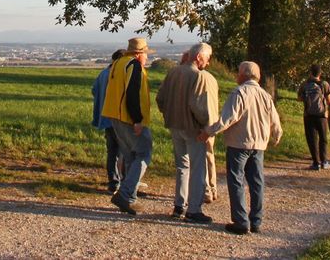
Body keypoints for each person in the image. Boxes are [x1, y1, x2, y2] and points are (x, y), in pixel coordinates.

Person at [200, 61, 281, 235]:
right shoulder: (265, 95)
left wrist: (209, 131)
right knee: (256, 182)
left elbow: (228, 118)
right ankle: (256, 221)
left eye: (238, 73)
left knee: (236, 180)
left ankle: (241, 221)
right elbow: (274, 118)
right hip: (258, 144)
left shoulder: (239, 93)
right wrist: (277, 134)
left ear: (244, 74)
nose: (237, 75)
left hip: (239, 143)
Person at [156, 43, 219, 223]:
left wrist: (168, 113)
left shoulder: (173, 72)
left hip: (174, 125)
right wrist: (207, 127)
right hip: (192, 128)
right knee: (198, 168)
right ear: (199, 57)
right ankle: (194, 209)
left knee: (182, 166)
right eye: (207, 58)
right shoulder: (197, 76)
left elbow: (160, 98)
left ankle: (179, 205)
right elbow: (198, 105)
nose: (207, 63)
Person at [101, 37, 155, 215]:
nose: (147, 58)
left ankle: (129, 197)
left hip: (114, 115)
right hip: (128, 118)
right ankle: (125, 194)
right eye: (146, 54)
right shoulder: (134, 66)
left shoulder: (118, 63)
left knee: (130, 156)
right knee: (143, 154)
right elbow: (132, 94)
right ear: (139, 54)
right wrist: (137, 120)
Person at [91, 50, 124, 192]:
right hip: (118, 118)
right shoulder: (119, 74)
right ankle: (123, 181)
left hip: (105, 118)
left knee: (111, 152)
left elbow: (94, 90)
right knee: (123, 152)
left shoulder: (103, 73)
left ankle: (113, 182)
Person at [297, 64, 330, 170]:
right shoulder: (324, 84)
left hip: (308, 115)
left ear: (310, 72)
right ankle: (324, 161)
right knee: (323, 139)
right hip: (322, 115)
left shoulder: (304, 84)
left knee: (312, 139)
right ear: (320, 73)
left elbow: (299, 98)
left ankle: (316, 163)